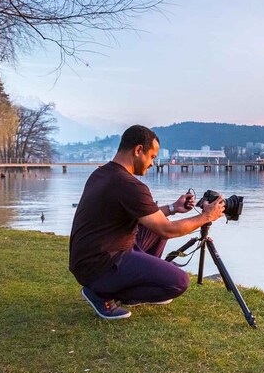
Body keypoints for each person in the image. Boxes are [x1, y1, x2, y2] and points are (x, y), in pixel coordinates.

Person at [69, 125, 225, 319]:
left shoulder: (103, 174)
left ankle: (122, 283)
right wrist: (206, 217)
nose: (153, 163)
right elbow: (167, 230)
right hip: (103, 265)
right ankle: (102, 293)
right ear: (138, 150)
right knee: (178, 281)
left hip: (89, 259)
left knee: (159, 224)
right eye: (152, 156)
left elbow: (149, 218)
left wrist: (173, 208)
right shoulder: (129, 185)